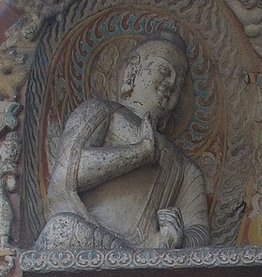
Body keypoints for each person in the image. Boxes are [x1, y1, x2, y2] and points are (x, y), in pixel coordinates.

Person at [35, 35, 210, 253]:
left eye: (180, 82)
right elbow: (67, 172)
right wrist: (140, 153)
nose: (171, 83)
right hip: (87, 237)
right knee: (61, 229)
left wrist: (175, 239)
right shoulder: (102, 111)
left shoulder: (184, 168)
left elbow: (200, 233)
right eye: (164, 71)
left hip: (146, 256)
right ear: (133, 71)